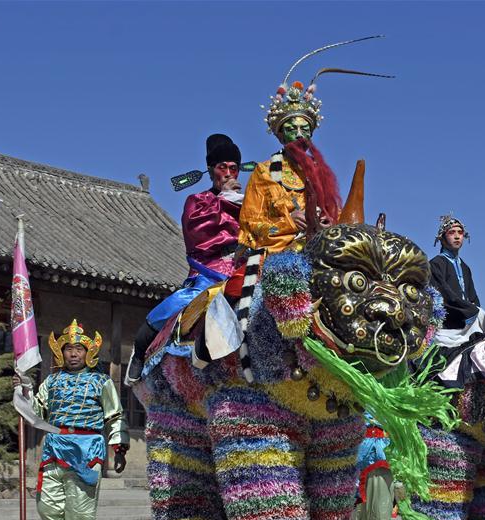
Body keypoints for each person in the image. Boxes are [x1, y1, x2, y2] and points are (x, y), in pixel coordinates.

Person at [15, 319, 129, 520]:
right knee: (47, 507)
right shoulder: (52, 382)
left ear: (89, 353)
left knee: (80, 511)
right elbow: (36, 413)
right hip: (55, 447)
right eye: (69, 349)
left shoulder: (101, 381)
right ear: (60, 352)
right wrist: (23, 390)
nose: (74, 353)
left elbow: (115, 415)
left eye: (79, 349)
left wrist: (119, 448)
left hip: (87, 449)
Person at [126, 134, 244, 383]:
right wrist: (224, 201)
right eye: (223, 167)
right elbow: (198, 234)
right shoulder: (198, 202)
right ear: (211, 170)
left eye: (234, 168)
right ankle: (140, 350)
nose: (229, 173)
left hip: (242, 268)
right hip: (208, 275)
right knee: (173, 307)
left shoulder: (250, 202)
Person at [238, 80, 340, 255]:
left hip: (322, 245)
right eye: (292, 129)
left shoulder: (321, 173)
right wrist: (289, 222)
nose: (299, 134)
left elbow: (338, 215)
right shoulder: (264, 172)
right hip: (280, 251)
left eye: (304, 129)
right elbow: (250, 222)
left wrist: (331, 223)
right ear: (280, 136)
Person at [338, 415, 395, 520]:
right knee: (342, 515)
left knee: (379, 515)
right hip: (347, 448)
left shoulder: (394, 386)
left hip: (382, 452)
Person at [428, 215, 485, 357]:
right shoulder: (436, 264)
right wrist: (470, 311)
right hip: (448, 325)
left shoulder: (465, 267)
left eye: (460, 233)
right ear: (442, 239)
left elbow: (473, 296)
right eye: (452, 233)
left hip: (467, 321)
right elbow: (444, 295)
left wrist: (474, 310)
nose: (457, 236)